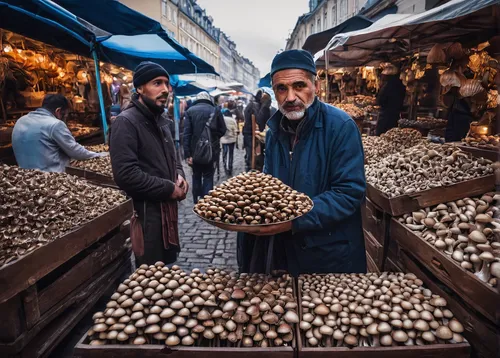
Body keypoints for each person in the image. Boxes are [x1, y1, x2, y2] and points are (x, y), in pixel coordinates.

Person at [237, 50, 367, 276]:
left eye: (299, 86)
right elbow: (272, 185)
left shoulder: (341, 126)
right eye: (281, 88)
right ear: (274, 92)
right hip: (283, 252)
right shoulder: (274, 131)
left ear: (315, 86)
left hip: (328, 255)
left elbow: (349, 193)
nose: (290, 97)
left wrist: (294, 220)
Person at [110, 61, 188, 266]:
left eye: (166, 84)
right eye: (157, 83)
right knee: (151, 273)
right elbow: (126, 174)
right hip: (146, 216)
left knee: (168, 266)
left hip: (167, 214)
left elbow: (173, 158)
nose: (165, 90)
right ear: (139, 88)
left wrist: (180, 174)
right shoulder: (126, 122)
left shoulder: (161, 120)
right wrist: (169, 188)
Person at [12, 94, 105, 172]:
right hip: (50, 177)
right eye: (65, 115)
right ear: (58, 111)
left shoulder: (21, 120)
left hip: (25, 175)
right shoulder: (55, 124)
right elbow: (75, 151)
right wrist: (98, 155)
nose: (65, 119)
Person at [183, 91, 227, 204]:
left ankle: (196, 199)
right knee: (208, 175)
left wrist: (187, 154)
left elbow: (186, 134)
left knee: (196, 174)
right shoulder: (215, 110)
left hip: (194, 151)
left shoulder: (190, 111)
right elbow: (223, 129)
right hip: (211, 150)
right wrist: (213, 138)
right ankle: (207, 202)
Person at [375, 67, 406, 135]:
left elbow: (380, 100)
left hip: (385, 116)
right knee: (391, 134)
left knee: (381, 135)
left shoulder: (387, 86)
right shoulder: (401, 85)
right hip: (395, 115)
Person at [243, 90, 262, 171]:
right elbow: (257, 119)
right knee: (251, 154)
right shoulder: (254, 105)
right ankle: (250, 170)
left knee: (250, 152)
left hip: (248, 132)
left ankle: (250, 166)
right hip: (250, 133)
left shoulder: (251, 104)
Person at [220, 108, 238, 175]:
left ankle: (225, 166)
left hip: (224, 139)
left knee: (224, 153)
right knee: (231, 154)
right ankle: (230, 167)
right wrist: (236, 138)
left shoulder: (222, 119)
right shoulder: (232, 120)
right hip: (231, 139)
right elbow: (236, 130)